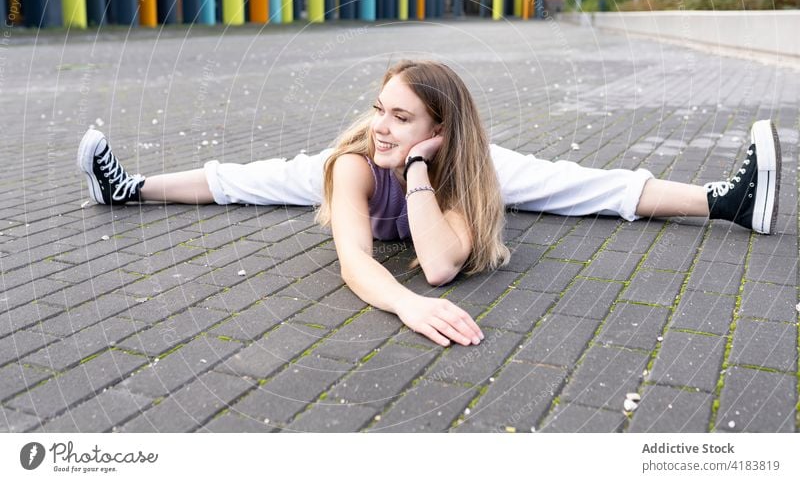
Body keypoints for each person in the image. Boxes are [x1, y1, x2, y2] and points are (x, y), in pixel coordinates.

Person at [77, 60, 781, 347]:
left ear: (439, 132)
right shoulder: (353, 161)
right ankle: (127, 186)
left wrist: (418, 169)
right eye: (379, 107)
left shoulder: (474, 171)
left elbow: (440, 264)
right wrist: (404, 305)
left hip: (442, 172)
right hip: (366, 178)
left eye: (401, 117)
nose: (382, 123)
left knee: (577, 186)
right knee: (249, 178)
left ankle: (728, 201)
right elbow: (356, 259)